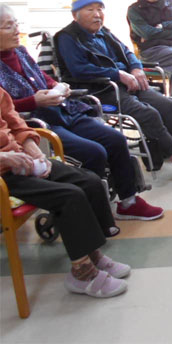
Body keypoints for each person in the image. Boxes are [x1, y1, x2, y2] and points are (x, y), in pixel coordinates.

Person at [0, 4, 163, 220]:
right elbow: (7, 110)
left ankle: (129, 202)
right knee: (94, 151)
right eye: (8, 26)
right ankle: (94, 208)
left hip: (63, 110)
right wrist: (33, 101)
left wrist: (58, 87)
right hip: (38, 122)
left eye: (16, 24)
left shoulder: (20, 52)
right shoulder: (67, 37)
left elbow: (44, 78)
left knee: (115, 139)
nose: (16, 30)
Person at [54, 0, 172, 186]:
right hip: (101, 90)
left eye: (100, 9)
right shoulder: (67, 37)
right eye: (90, 10)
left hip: (126, 83)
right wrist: (117, 74)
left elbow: (128, 52)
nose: (97, 14)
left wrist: (135, 68)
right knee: (148, 114)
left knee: (169, 105)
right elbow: (78, 70)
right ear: (75, 15)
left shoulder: (103, 32)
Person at [0, 87, 130, 298]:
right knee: (69, 196)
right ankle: (82, 274)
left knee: (90, 181)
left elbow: (17, 125)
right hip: (3, 174)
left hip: (20, 161)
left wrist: (34, 151)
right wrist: (4, 158)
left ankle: (92, 255)